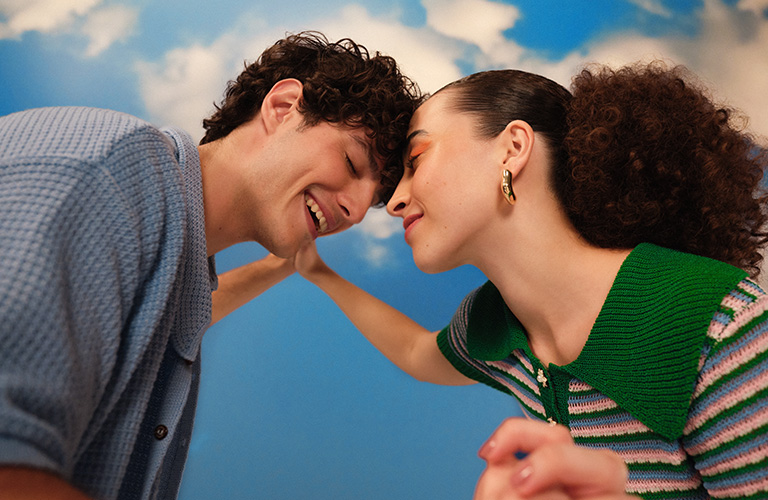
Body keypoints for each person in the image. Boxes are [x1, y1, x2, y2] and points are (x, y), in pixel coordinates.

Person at [292, 62, 768, 499]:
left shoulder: (719, 326)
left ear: (513, 148)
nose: (396, 200)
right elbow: (418, 353)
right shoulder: (491, 324)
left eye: (416, 159)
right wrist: (320, 273)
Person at [0, 31, 420, 499]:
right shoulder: (112, 172)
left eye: (372, 199)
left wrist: (278, 267)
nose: (356, 211)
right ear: (283, 107)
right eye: (352, 162)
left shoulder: (165, 247)